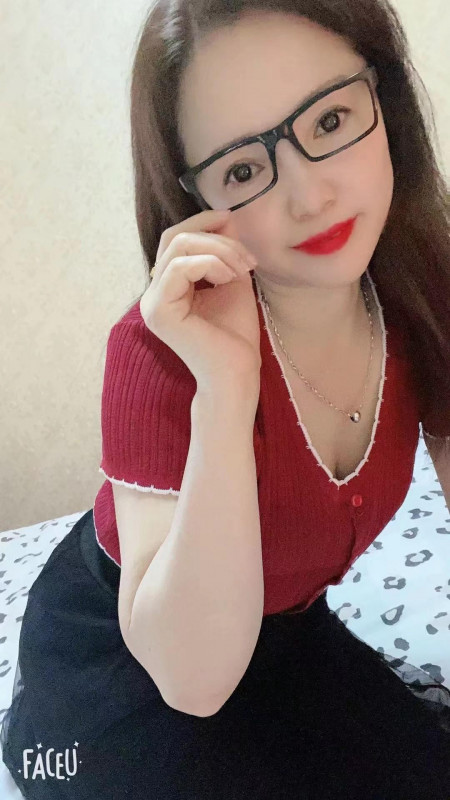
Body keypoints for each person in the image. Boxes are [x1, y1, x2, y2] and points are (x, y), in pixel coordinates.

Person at [2, 1, 450, 798]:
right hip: (137, 651)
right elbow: (193, 679)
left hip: (285, 632)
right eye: (243, 170)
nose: (308, 197)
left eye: (331, 120)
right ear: (195, 200)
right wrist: (225, 388)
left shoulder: (424, 291)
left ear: (385, 99)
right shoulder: (161, 351)